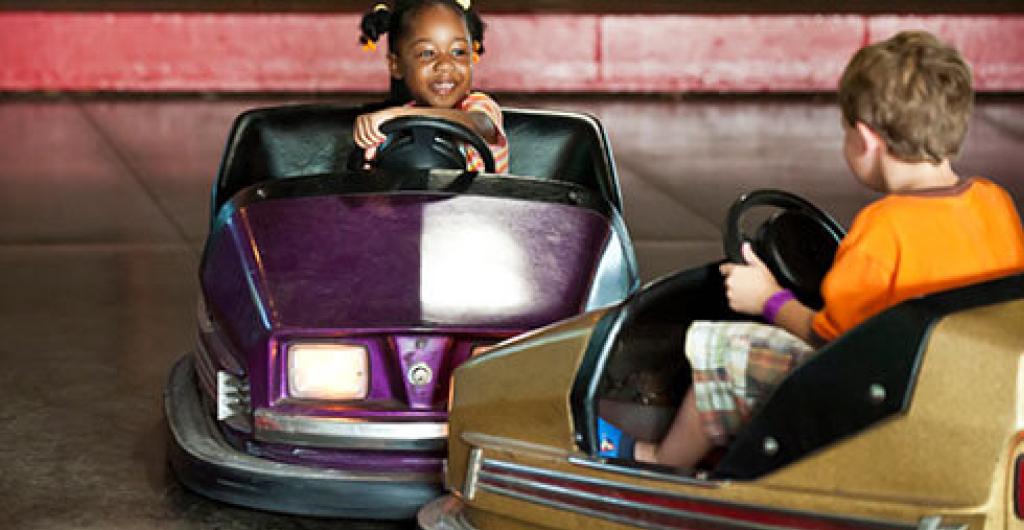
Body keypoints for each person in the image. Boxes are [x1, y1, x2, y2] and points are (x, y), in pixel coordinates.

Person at [597, 30, 1024, 472]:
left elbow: (827, 340)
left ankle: (663, 465)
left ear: (866, 139)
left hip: (888, 399)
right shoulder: (994, 202)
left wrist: (768, 299)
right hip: (970, 386)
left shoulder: (884, 228)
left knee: (725, 349)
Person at [355, 0, 508, 173]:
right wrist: (368, 138)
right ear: (395, 65)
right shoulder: (390, 127)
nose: (445, 64)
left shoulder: (479, 105)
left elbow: (481, 125)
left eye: (459, 52)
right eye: (427, 53)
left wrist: (399, 114)